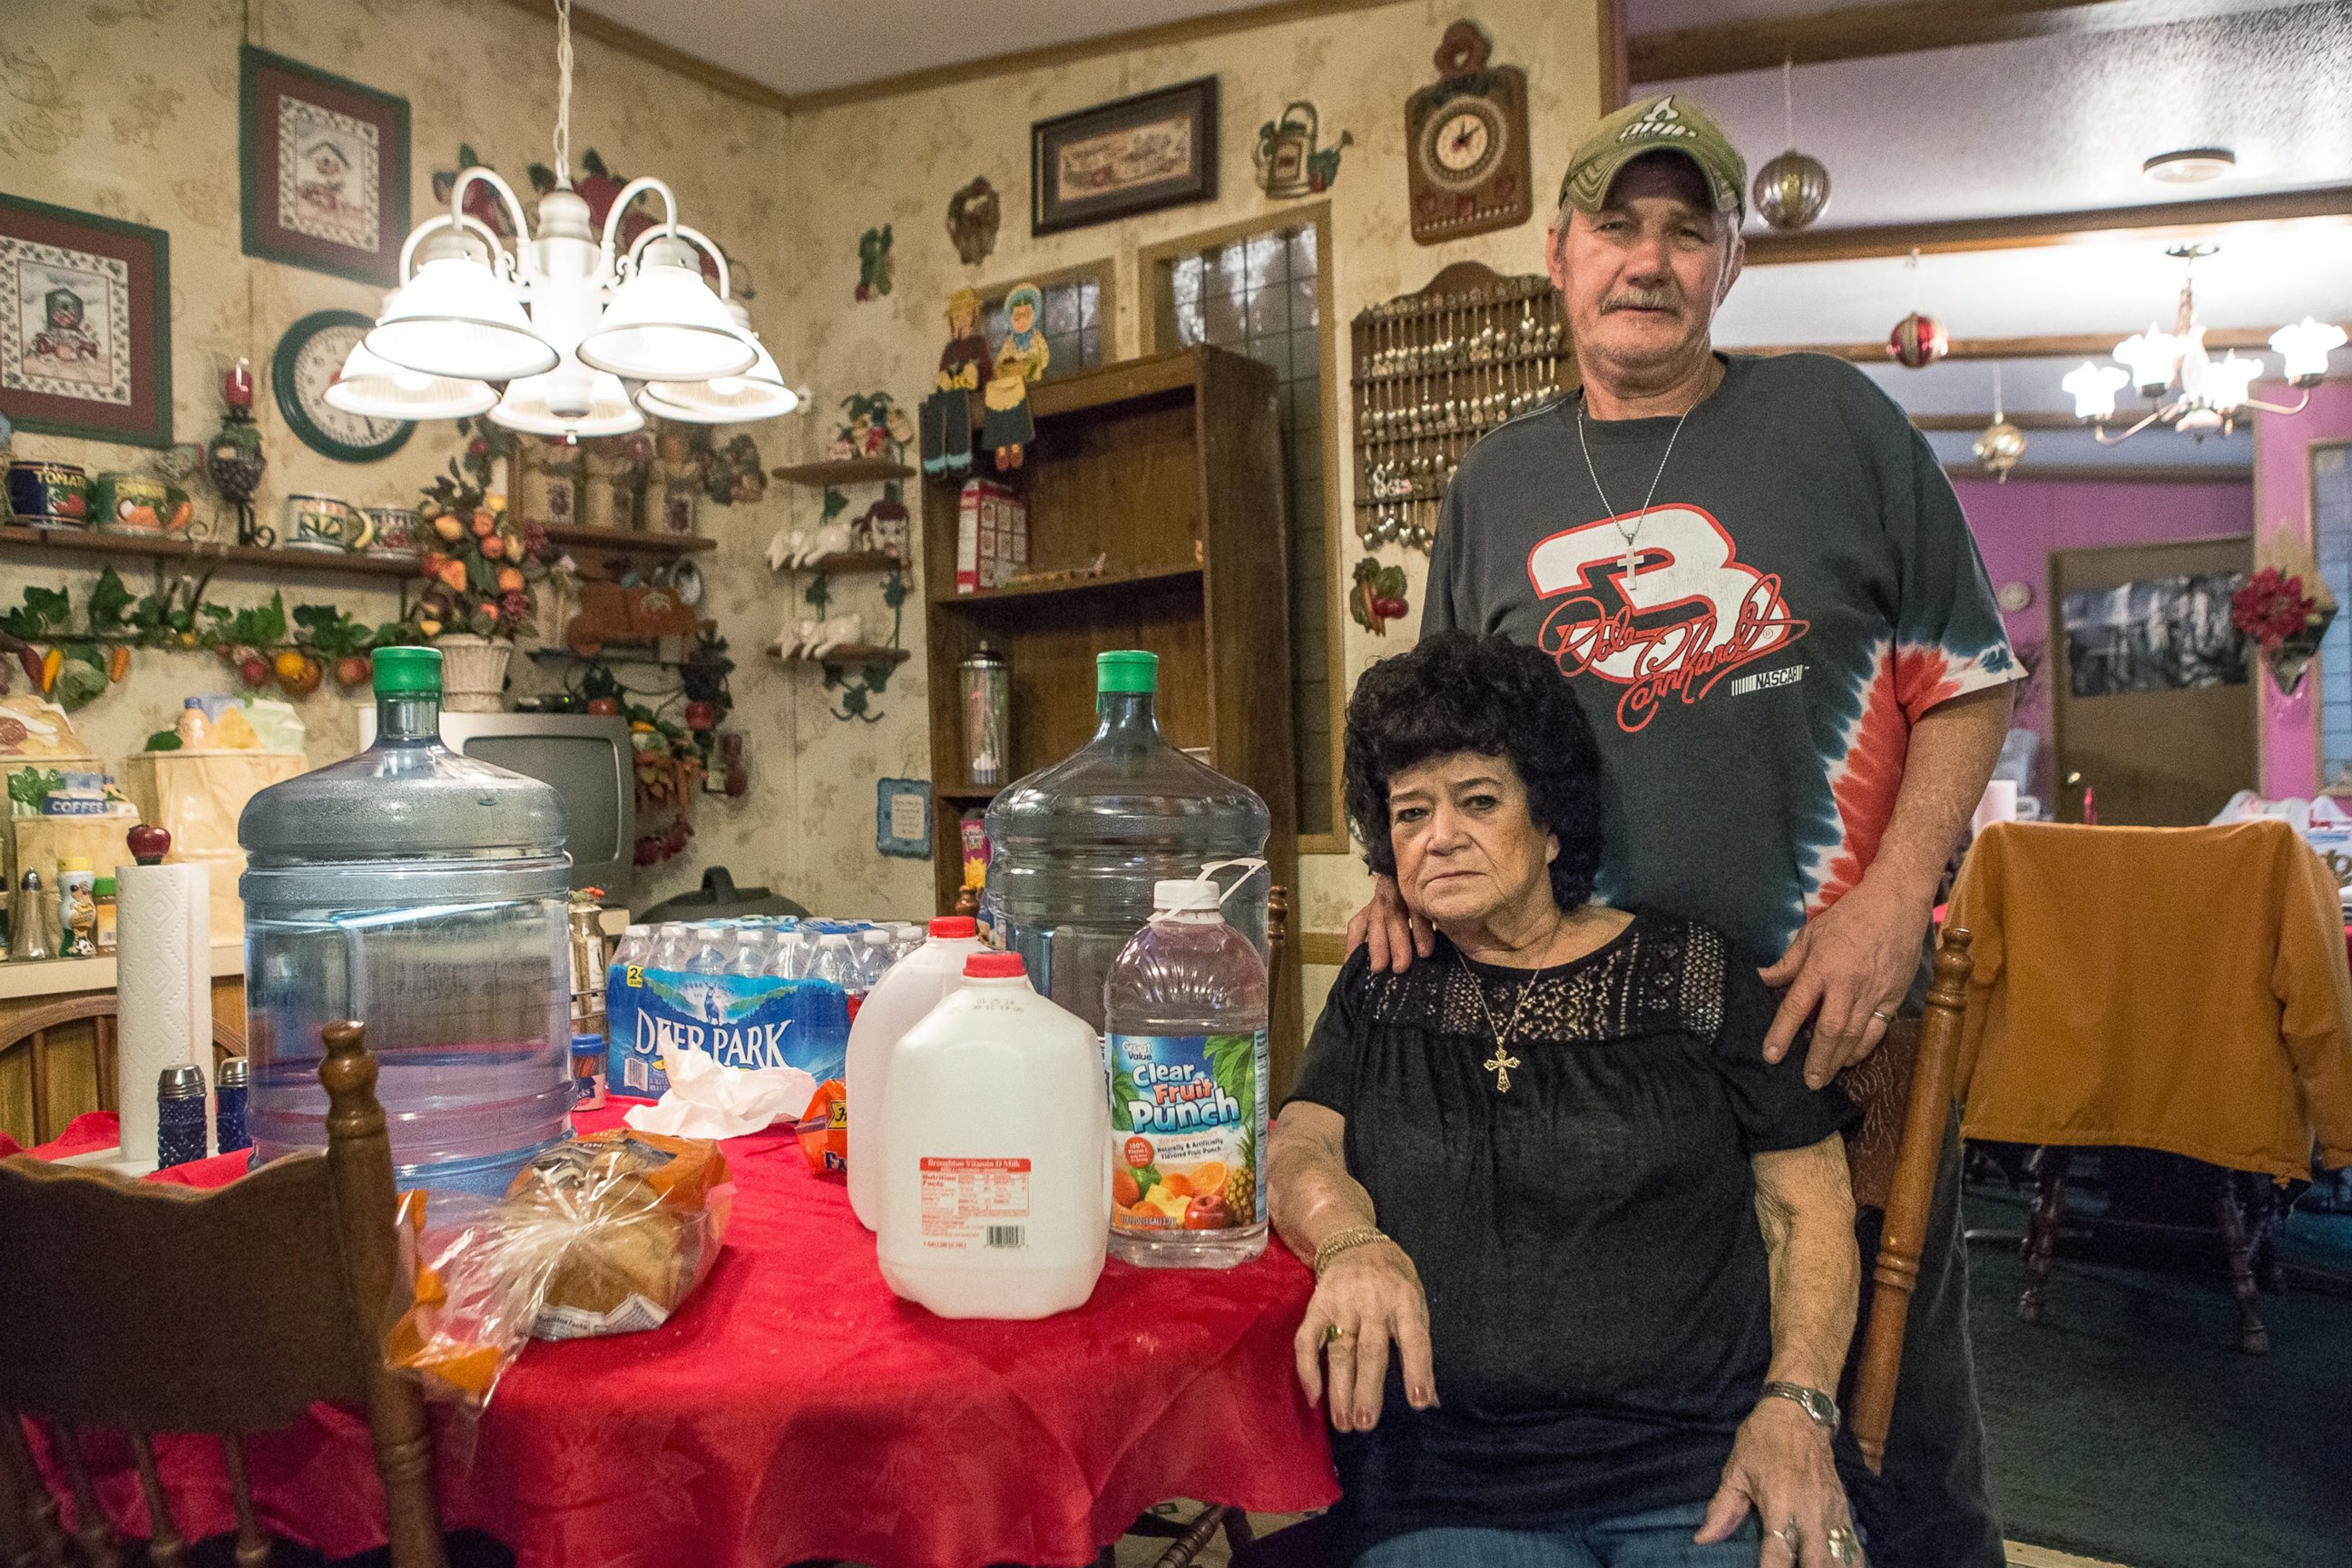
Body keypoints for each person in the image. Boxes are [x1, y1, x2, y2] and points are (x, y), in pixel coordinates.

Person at [1348, 93, 2019, 1568]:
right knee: (1630, 1413)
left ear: (1726, 266)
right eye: (1615, 226)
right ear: (1558, 255)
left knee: (1892, 1430)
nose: (1645, 259)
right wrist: (1394, 871)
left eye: (1683, 230)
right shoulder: (1494, 479)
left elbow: (1965, 679)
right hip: (1587, 1057)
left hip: (1821, 1023)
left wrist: (1892, 894)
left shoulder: (1834, 422)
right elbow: (1433, 733)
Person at [1276, 632, 1864, 1568]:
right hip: (1447, 1486)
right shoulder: (1383, 985)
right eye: (1410, 812)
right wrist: (1349, 1238)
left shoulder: (1695, 976)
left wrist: (1796, 1408)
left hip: (1700, 1472)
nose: (1440, 836)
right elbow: (1297, 1146)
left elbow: (1811, 1208)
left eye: (1477, 801)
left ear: (1550, 822)